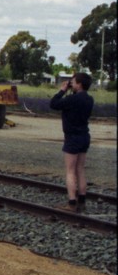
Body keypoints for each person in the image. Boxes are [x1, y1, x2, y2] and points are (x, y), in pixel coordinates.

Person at [49, 73, 94, 212]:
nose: (71, 84)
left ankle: (71, 203)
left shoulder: (71, 99)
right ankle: (82, 201)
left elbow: (53, 104)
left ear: (79, 84)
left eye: (73, 82)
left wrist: (62, 90)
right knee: (80, 169)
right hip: (84, 136)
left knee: (70, 171)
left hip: (72, 137)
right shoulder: (89, 99)